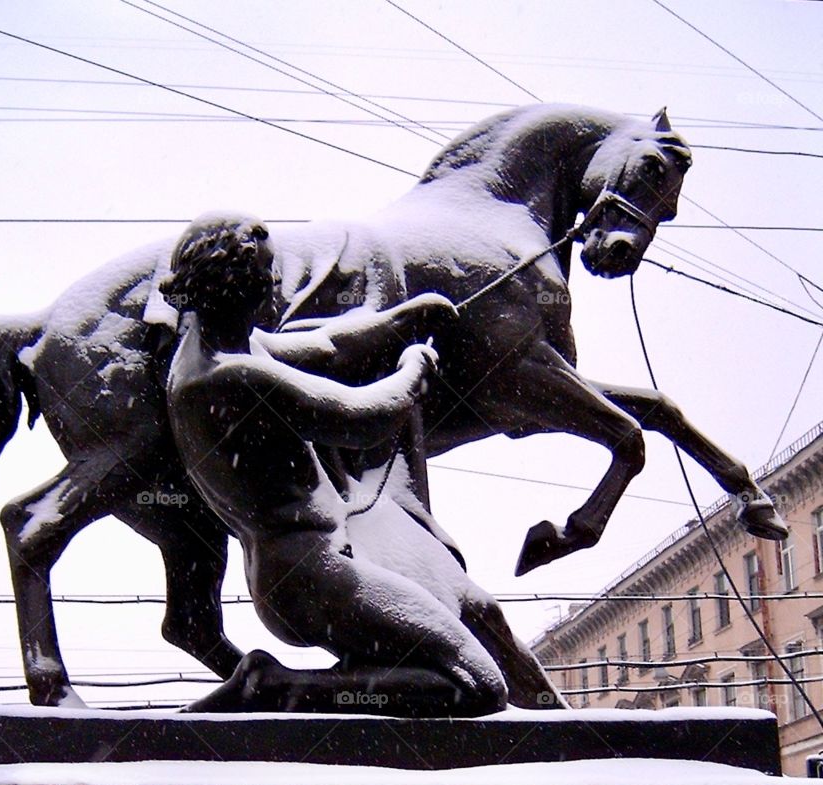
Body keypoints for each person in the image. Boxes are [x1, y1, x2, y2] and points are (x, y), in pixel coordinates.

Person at [160, 212, 563, 715]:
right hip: (308, 572)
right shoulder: (229, 377)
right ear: (234, 281)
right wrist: (414, 367)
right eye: (266, 271)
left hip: (320, 556)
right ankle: (273, 685)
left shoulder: (228, 347)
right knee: (477, 684)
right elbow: (363, 419)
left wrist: (404, 318)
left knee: (479, 610)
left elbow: (329, 347)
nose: (275, 282)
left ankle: (569, 741)